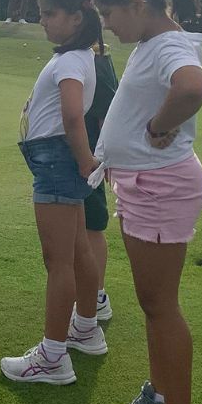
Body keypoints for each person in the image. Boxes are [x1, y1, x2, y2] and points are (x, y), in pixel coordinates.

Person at [93, 0, 202, 404]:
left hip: (158, 187)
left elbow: (191, 88)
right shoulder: (154, 39)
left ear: (138, 4)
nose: (107, 25)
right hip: (145, 185)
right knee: (153, 304)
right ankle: (159, 399)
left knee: (161, 305)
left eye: (110, 15)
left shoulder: (167, 46)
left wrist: (159, 126)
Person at [0, 0, 105, 386]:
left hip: (58, 161)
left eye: (50, 13)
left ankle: (52, 358)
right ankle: (86, 328)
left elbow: (73, 114)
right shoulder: (76, 55)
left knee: (57, 261)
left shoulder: (71, 61)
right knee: (78, 251)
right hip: (57, 159)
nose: (42, 20)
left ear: (77, 17)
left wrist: (83, 159)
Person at [83, 40, 118, 322]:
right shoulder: (78, 56)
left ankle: (96, 296)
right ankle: (86, 292)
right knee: (77, 227)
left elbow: (107, 116)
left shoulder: (97, 60)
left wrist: (105, 160)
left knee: (90, 225)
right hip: (72, 156)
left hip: (88, 159)